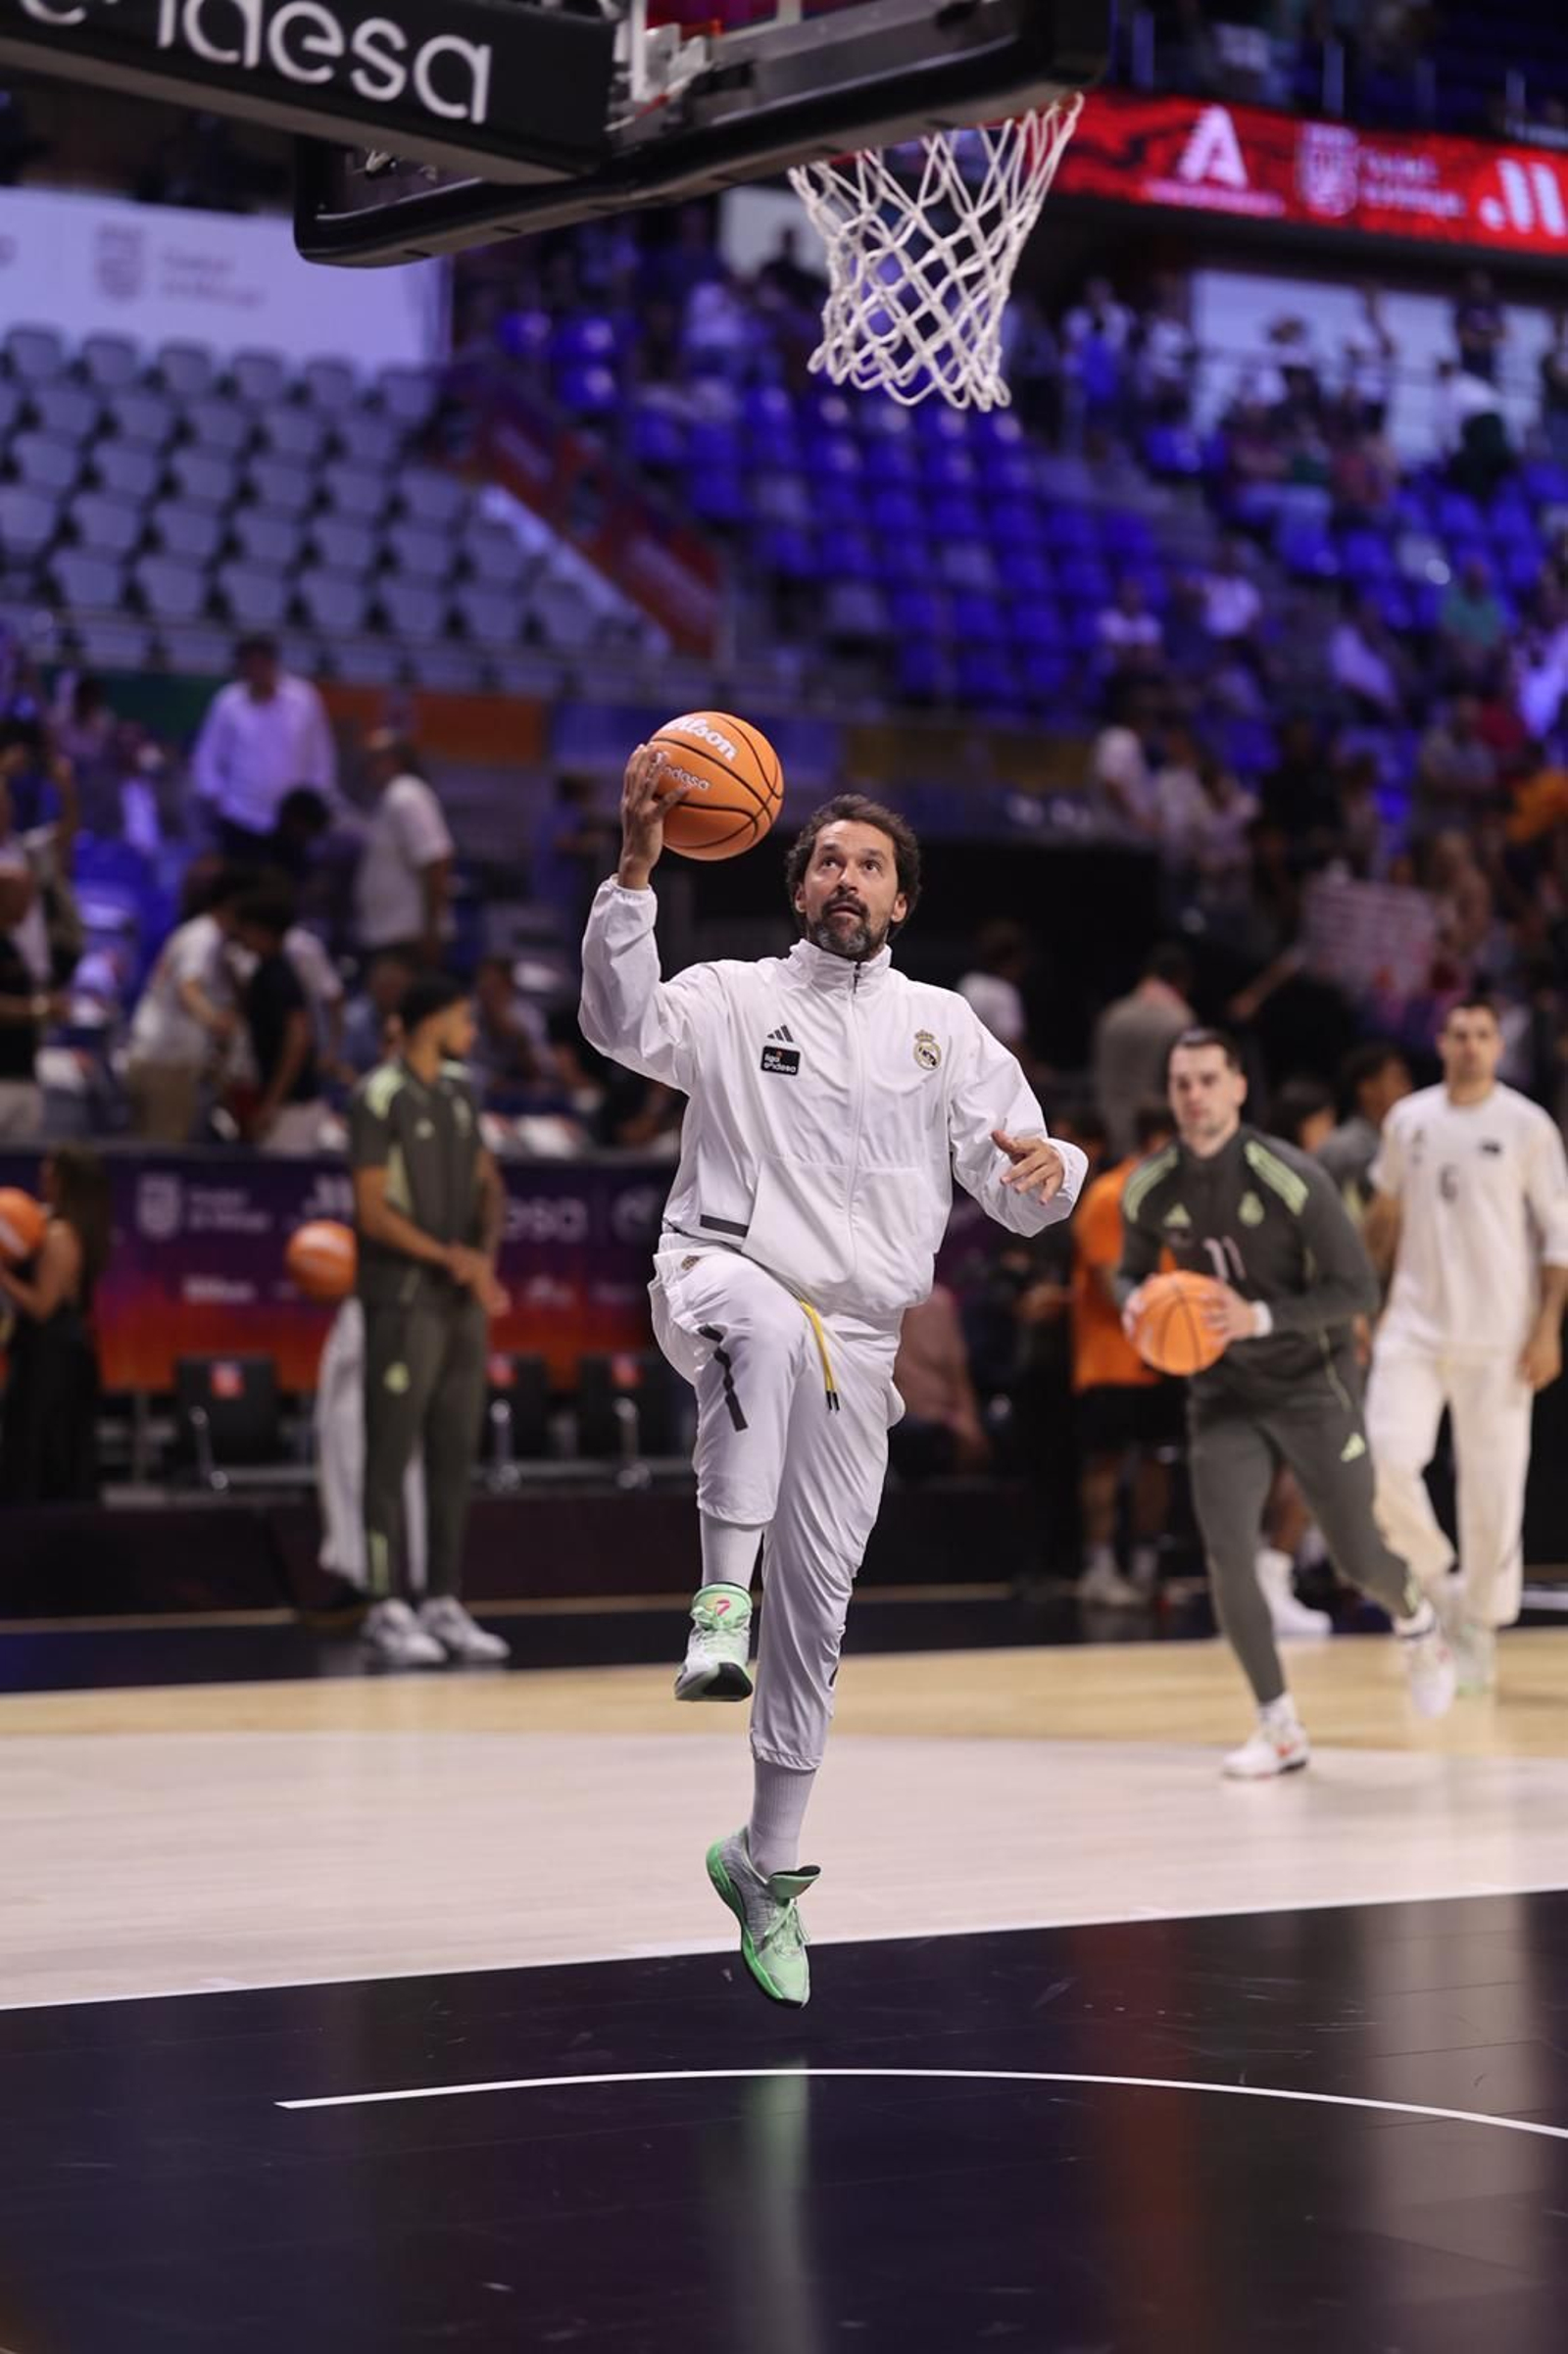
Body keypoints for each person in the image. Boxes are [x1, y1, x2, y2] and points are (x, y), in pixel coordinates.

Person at [579, 769, 1086, 2005]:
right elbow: (615, 1022)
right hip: (720, 1271)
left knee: (819, 1614)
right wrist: (637, 874)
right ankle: (714, 1605)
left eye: (867, 866)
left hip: (857, 1344)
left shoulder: (945, 1028)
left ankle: (763, 1863)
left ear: (900, 901)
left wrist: (1054, 1161)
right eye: (825, 862)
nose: (843, 880)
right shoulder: (730, 996)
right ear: (794, 883)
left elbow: (1018, 1186)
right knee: (757, 1324)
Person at [1118, 1028, 1455, 1780]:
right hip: (1224, 1390)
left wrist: (1258, 1317)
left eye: (1209, 1080)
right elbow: (1129, 1275)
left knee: (1356, 1554)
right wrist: (1140, 1308)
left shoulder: (1289, 1176)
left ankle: (1418, 1619)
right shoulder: (1153, 1186)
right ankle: (1278, 1724)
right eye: (1182, 1083)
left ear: (1239, 1088)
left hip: (1312, 1382)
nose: (1194, 1096)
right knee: (1229, 1555)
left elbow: (1357, 1290)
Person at [1363, 998, 1568, 1697]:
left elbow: (1559, 1236)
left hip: (1501, 1333)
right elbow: (1383, 1217)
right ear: (1441, 1043)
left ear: (1498, 1047)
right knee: (1382, 1457)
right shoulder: (1408, 1119)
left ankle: (1478, 1626)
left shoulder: (1527, 1126)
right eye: (1460, 1034)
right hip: (1413, 1326)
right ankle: (1433, 1572)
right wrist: (1364, 1302)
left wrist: (1547, 1329)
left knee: (1494, 1490)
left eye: (1484, 1034)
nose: (1472, 1045)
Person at [348, 972, 511, 1671]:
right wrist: (451, 1257)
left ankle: (442, 1598)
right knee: (390, 1451)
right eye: (462, 1015)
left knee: (454, 1452)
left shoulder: (461, 1090)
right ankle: (385, 1602)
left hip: (458, 1300)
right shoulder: (376, 1096)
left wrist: (482, 1261)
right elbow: (372, 1210)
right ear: (431, 1019)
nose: (471, 1029)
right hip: (404, 1296)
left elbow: (489, 1184)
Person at [316, 1013, 426, 1594]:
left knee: (394, 1451)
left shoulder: (428, 1112)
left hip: (404, 1304)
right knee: (343, 1434)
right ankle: (368, 1581)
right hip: (372, 1301)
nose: (388, 1051)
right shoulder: (384, 1108)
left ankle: (396, 1589)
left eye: (397, 1038)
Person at [1071, 1100, 1180, 1608]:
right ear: (1156, 1142)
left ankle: (1144, 1570)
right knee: (1107, 1464)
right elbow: (1114, 1285)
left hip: (1167, 1356)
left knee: (1158, 1462)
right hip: (1112, 1357)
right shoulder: (1110, 1195)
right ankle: (1098, 1569)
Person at [0, 1146, 111, 1502]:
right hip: (54, 1355)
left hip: (53, 1360)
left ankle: (42, 1536)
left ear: (65, 1183)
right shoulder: (55, 1225)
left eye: (48, 1177)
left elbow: (43, 1306)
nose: (41, 1182)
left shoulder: (61, 1235)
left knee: (43, 1449)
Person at [191, 635, 335, 865]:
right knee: (241, 889)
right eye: (250, 664)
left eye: (262, 663)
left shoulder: (304, 698)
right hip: (240, 815)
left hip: (291, 821)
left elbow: (321, 754)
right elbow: (207, 755)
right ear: (242, 668)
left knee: (287, 892)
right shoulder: (228, 702)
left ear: (273, 664)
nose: (256, 670)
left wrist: (315, 801)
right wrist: (216, 797)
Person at [123, 871, 245, 1144]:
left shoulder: (204, 935)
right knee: (163, 1150)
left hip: (158, 1055)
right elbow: (188, 988)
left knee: (152, 1146)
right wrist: (218, 1022)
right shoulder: (204, 936)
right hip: (168, 1062)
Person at [230, 891, 327, 1153]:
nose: (239, 935)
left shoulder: (280, 977)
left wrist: (272, 1103)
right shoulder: (264, 973)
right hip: (279, 1100)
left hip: (293, 1105)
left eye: (245, 928)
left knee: (282, 1184)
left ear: (262, 931)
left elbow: (299, 1038)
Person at [353, 730, 455, 968]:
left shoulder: (407, 795)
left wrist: (431, 931)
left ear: (394, 760)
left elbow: (435, 860)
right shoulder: (389, 799)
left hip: (408, 937)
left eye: (373, 759)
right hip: (391, 935)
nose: (366, 768)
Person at [1092, 945, 1195, 1159]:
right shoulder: (1179, 1019)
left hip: (1108, 1130)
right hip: (1154, 1137)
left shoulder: (1114, 1014)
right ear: (1181, 980)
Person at [888, 1284, 992, 1482]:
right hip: (904, 1420)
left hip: (946, 1419)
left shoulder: (939, 1305)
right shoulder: (874, 1309)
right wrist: (944, 1419)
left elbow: (958, 1373)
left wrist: (968, 1420)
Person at [956, 919, 1031, 1060]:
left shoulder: (969, 983)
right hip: (990, 1071)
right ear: (1013, 961)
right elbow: (1011, 1044)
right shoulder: (1003, 993)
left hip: (962, 1066)